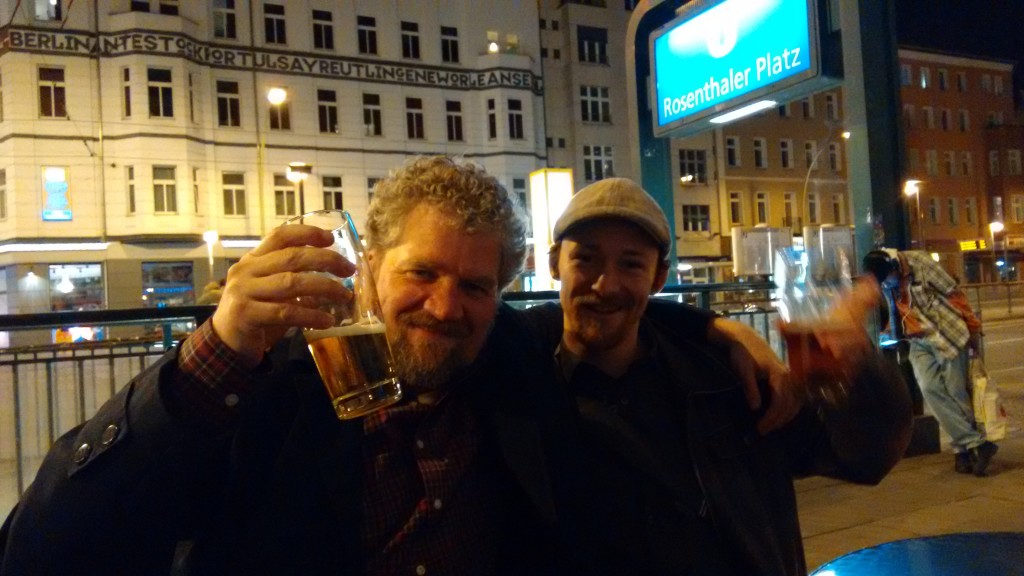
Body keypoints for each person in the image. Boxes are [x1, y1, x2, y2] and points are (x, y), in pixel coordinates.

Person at [0, 156, 787, 576]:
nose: (447, 307)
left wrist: (717, 326)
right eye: (422, 274)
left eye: (476, 285)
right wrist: (216, 348)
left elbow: (603, 307)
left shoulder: (508, 355)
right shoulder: (271, 380)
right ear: (370, 268)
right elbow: (45, 553)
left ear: (501, 292)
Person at [534, 178, 913, 576]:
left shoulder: (727, 378)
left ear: (658, 278)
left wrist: (857, 370)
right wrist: (717, 325)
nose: (605, 284)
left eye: (630, 264)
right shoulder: (524, 380)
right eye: (586, 260)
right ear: (553, 264)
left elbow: (867, 458)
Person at [863, 249, 997, 476]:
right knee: (930, 389)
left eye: (891, 275)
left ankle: (962, 451)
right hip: (918, 340)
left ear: (896, 265)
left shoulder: (922, 263)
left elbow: (955, 295)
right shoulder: (883, 277)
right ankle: (978, 444)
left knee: (956, 393)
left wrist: (974, 328)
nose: (889, 281)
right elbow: (896, 307)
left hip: (948, 334)